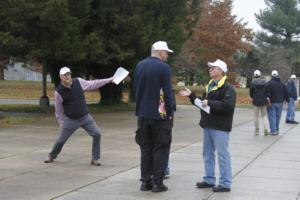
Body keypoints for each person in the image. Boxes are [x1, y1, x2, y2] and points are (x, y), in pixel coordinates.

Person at [180, 59, 236, 192]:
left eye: (213, 67)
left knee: (223, 155)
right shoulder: (210, 85)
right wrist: (192, 96)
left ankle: (225, 183)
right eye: (210, 67)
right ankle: (209, 179)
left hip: (220, 127)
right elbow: (203, 104)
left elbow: (228, 106)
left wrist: (209, 102)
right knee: (207, 154)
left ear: (220, 71)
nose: (210, 69)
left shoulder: (227, 88)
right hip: (208, 125)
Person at [44, 67, 114, 166]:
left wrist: (108, 80)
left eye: (68, 74)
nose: (67, 76)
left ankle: (95, 159)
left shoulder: (78, 82)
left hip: (85, 117)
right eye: (65, 75)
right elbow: (58, 111)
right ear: (61, 77)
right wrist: (61, 123)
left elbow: (93, 83)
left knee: (97, 134)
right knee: (61, 140)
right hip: (70, 120)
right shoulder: (58, 92)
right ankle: (52, 155)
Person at [134, 41, 174, 192]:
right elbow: (167, 93)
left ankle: (145, 181)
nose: (167, 56)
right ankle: (158, 183)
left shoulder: (139, 65)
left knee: (146, 148)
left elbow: (136, 89)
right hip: (160, 114)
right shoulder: (164, 67)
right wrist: (169, 113)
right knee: (161, 148)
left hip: (143, 114)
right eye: (166, 53)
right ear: (160, 52)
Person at [266, 70, 289, 135]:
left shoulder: (269, 83)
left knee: (272, 117)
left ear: (272, 75)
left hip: (272, 102)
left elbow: (266, 93)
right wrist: (287, 100)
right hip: (280, 103)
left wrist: (267, 100)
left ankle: (273, 131)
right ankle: (276, 129)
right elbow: (286, 93)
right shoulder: (282, 84)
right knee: (278, 117)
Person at [249, 70, 269, 136]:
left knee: (256, 117)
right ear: (260, 75)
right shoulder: (265, 83)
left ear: (254, 75)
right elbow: (267, 92)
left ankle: (257, 130)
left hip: (255, 102)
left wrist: (253, 97)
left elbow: (251, 93)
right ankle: (266, 129)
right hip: (263, 101)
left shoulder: (252, 83)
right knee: (264, 116)